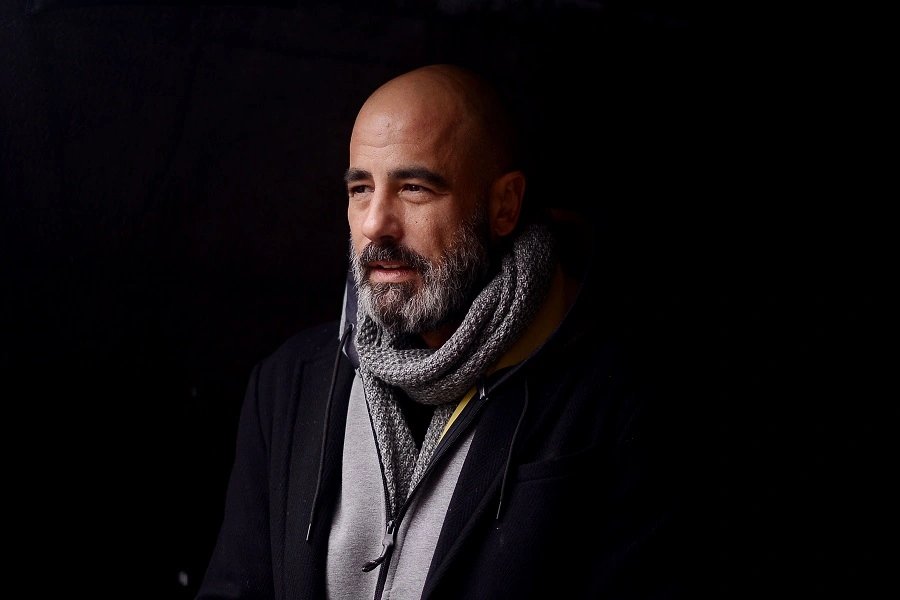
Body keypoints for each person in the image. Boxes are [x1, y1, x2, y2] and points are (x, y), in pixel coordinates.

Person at [196, 63, 687, 599]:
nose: (375, 223)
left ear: (504, 205)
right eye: (361, 189)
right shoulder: (289, 383)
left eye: (414, 188)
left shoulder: (622, 403)